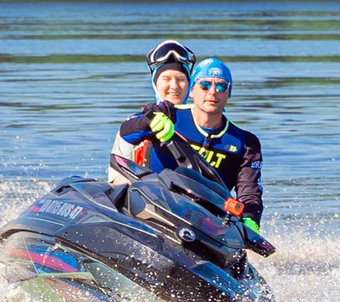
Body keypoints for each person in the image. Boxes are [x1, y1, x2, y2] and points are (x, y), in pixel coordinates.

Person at [120, 56, 265, 246]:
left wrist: (250, 221)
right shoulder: (168, 114)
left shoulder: (245, 143)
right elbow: (126, 132)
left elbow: (250, 192)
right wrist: (149, 123)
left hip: (206, 220)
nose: (212, 92)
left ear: (229, 93)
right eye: (205, 85)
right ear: (192, 90)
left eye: (221, 86)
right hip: (154, 204)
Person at [110, 39, 193, 189]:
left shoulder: (203, 123)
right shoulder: (137, 122)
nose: (174, 86)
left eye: (181, 79)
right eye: (166, 79)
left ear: (189, 84)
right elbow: (116, 179)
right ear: (155, 83)